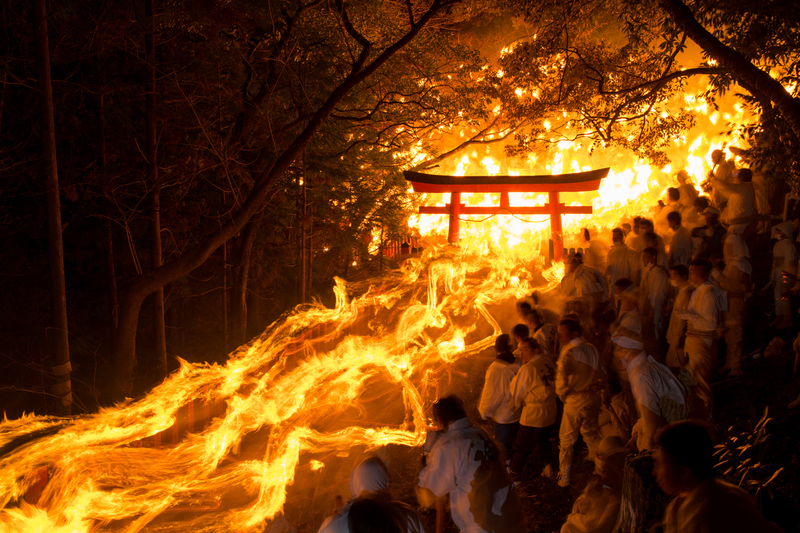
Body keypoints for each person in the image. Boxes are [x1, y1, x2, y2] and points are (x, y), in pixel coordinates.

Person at [417, 395, 526, 533]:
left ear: (439, 419)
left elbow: (428, 493)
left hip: (487, 527)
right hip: (514, 518)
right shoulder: (481, 434)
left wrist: (428, 454)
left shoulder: (448, 445)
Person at [654, 421, 784, 533]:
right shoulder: (683, 504)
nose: (654, 472)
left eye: (660, 464)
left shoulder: (708, 515)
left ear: (685, 473)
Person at [611, 338, 688, 452]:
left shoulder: (640, 375)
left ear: (630, 353)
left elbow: (651, 422)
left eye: (620, 354)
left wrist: (646, 450)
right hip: (679, 425)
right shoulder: (646, 363)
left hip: (676, 432)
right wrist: (640, 423)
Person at [555, 317, 606, 487]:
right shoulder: (592, 348)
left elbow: (560, 384)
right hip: (593, 399)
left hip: (575, 401)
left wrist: (565, 397)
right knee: (591, 434)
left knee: (566, 441)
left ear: (574, 333)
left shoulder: (569, 353)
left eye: (563, 333)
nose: (560, 336)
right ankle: (602, 471)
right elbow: (602, 372)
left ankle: (564, 478)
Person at [319, 457, 426, 533]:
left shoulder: (333, 524)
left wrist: (335, 518)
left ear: (355, 483)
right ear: (385, 480)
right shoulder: (409, 514)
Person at [678, 259, 726, 421]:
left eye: (695, 273)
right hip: (694, 342)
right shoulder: (698, 291)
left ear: (705, 274)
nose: (692, 275)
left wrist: (688, 315)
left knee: (701, 383)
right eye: (691, 272)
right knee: (695, 381)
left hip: (702, 344)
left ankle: (707, 418)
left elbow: (711, 323)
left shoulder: (709, 294)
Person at [508, 337, 558, 480]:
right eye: (521, 350)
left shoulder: (528, 368)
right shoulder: (547, 361)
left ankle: (514, 473)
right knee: (543, 439)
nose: (522, 353)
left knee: (522, 445)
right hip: (550, 409)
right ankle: (548, 468)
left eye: (525, 349)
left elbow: (517, 390)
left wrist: (514, 405)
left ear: (536, 350)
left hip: (534, 413)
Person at [560, 436, 628, 533]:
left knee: (567, 528)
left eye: (607, 474)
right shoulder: (609, 489)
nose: (603, 478)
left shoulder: (615, 501)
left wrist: (572, 517)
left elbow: (596, 528)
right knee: (567, 527)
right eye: (604, 473)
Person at [714, 234, 752, 376]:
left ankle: (736, 366)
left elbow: (736, 287)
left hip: (736, 304)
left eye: (730, 247)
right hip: (728, 302)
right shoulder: (732, 263)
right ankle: (730, 362)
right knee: (729, 335)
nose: (727, 250)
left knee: (735, 334)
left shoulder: (741, 264)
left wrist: (718, 276)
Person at [478, 334, 521, 457]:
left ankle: (507, 470)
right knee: (517, 444)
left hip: (504, 417)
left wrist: (485, 412)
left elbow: (491, 394)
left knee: (503, 448)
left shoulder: (496, 369)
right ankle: (518, 466)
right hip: (519, 413)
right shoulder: (519, 361)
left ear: (496, 349)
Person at [764, 221, 796, 329]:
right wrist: (773, 274)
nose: (777, 233)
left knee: (784, 296)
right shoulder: (777, 245)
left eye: (779, 231)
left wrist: (782, 272)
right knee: (777, 295)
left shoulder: (789, 245)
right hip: (778, 274)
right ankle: (779, 317)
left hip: (786, 274)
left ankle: (787, 319)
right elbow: (775, 262)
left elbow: (789, 262)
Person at [640, 246, 670, 356]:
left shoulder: (659, 275)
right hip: (647, 312)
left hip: (654, 313)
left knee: (655, 338)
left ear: (653, 258)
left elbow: (659, 297)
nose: (644, 260)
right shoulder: (648, 272)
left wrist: (655, 315)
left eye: (646, 257)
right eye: (643, 257)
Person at [712, 168, 757, 236]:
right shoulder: (740, 190)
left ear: (742, 178)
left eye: (735, 175)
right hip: (737, 226)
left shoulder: (744, 187)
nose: (734, 178)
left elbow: (726, 187)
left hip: (741, 227)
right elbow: (726, 193)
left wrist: (713, 179)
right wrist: (714, 186)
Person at [665, 264, 694, 369]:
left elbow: (683, 319)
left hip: (679, 340)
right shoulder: (683, 292)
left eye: (675, 276)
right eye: (671, 276)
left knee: (678, 367)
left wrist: (677, 339)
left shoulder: (686, 294)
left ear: (685, 277)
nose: (672, 279)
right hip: (676, 337)